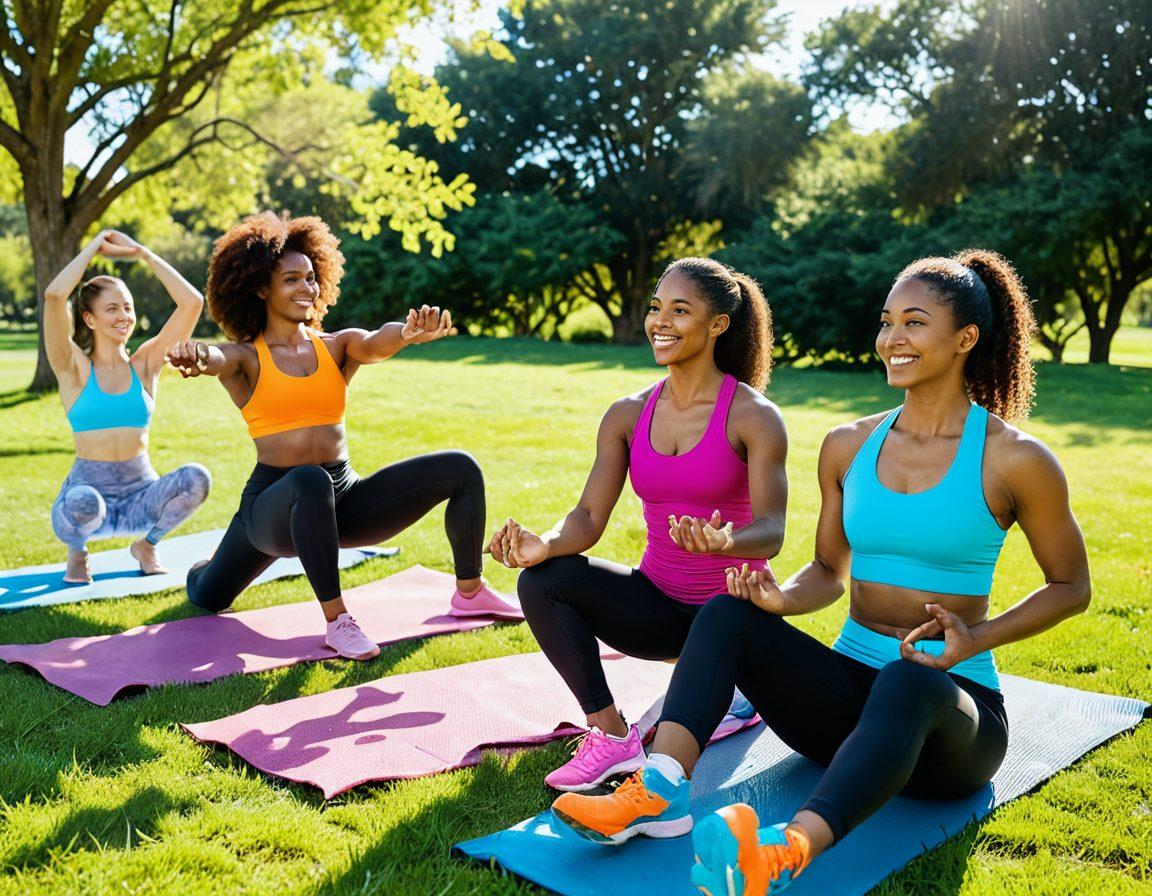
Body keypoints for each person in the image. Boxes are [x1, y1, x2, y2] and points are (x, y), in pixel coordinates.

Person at [547, 250, 1092, 896]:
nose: (892, 339)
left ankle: (784, 852)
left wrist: (980, 637)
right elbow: (828, 572)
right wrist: (777, 598)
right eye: (887, 322)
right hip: (845, 710)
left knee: (907, 680)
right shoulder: (848, 445)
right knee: (729, 614)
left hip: (952, 726)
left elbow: (1071, 587)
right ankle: (658, 790)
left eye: (914, 323)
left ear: (965, 339)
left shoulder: (1014, 459)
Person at [489, 257, 787, 792]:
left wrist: (727, 541)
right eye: (656, 309)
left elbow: (773, 530)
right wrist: (545, 544)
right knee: (542, 581)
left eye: (680, 310)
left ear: (718, 324)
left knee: (720, 645)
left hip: (730, 620)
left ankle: (739, 693)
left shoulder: (753, 415)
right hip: (658, 606)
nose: (661, 322)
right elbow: (586, 517)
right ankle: (611, 737)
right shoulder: (628, 414)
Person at [168, 211, 499, 660]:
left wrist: (405, 333)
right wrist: (195, 353)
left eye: (310, 278)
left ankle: (470, 591)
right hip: (273, 508)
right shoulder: (247, 357)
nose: (307, 288)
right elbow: (215, 357)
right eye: (292, 280)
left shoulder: (336, 346)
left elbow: (375, 340)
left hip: (345, 499)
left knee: (460, 469)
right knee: (209, 594)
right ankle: (332, 618)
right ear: (262, 289)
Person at [43, 230, 211, 583]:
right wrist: (93, 248)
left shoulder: (146, 365)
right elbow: (55, 296)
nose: (124, 316)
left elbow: (193, 302)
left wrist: (143, 254)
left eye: (128, 307)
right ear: (89, 319)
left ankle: (147, 545)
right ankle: (78, 551)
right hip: (86, 501)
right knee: (83, 501)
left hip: (141, 500)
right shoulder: (73, 367)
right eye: (112, 308)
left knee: (197, 479)